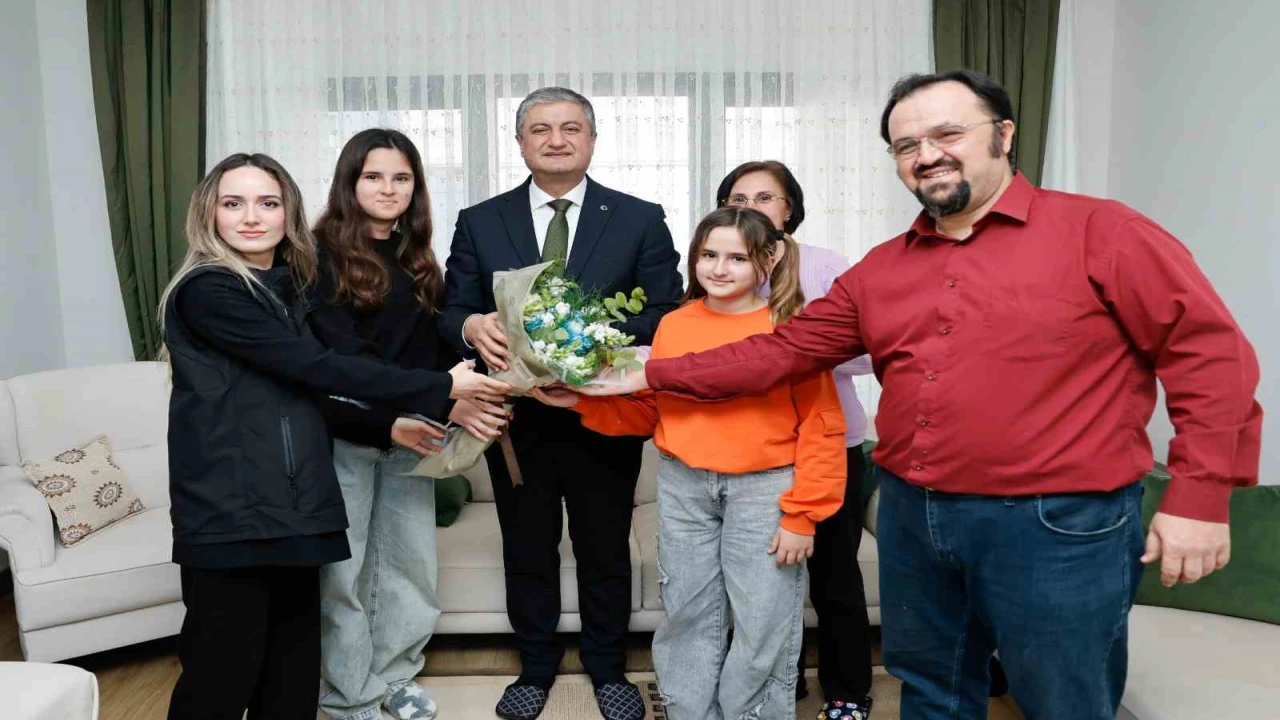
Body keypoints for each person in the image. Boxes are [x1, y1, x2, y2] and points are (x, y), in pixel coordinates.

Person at [583, 69, 1263, 720]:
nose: (926, 155)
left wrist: (1200, 496)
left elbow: (1210, 355)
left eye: (948, 134)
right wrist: (648, 373)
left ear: (1003, 134)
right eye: (906, 145)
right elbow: (784, 351)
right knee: (932, 689)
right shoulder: (882, 268)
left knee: (1062, 699)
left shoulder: (1103, 231)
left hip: (1055, 522)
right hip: (915, 515)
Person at [161, 153, 510, 720]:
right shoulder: (209, 291)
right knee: (221, 676)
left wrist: (387, 423)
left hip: (300, 505)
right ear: (209, 214)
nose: (251, 217)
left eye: (267, 203)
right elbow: (316, 367)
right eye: (233, 203)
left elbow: (309, 392)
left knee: (292, 678)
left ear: (288, 213)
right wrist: (442, 387)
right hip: (231, 513)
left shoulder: (287, 288)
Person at [531, 206, 846, 720]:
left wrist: (803, 514)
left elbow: (821, 424)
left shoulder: (789, 328)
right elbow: (652, 410)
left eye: (737, 258)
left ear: (768, 261)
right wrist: (582, 402)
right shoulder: (674, 324)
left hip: (764, 490)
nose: (719, 269)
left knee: (762, 621)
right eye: (709, 255)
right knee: (686, 615)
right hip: (684, 486)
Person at [439, 87, 684, 720]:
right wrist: (470, 326)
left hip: (604, 414)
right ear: (520, 142)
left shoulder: (638, 218)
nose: (556, 139)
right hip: (514, 420)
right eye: (540, 129)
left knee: (605, 548)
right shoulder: (480, 220)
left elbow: (666, 313)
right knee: (527, 547)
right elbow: (450, 309)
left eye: (571, 128)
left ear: (592, 139)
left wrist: (590, 345)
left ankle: (608, 669)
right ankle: (535, 667)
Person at [308, 129, 511, 720]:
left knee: (408, 569)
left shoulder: (415, 257)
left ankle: (395, 677)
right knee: (345, 576)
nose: (388, 188)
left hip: (415, 438)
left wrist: (455, 402)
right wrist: (395, 417)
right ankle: (350, 696)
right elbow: (338, 363)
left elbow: (428, 354)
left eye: (402, 178)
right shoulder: (317, 256)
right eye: (373, 176)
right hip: (348, 438)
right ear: (349, 182)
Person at [715, 161, 875, 719]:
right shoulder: (720, 269)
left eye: (766, 197)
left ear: (789, 209)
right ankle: (778, 682)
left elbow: (871, 350)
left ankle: (848, 690)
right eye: (739, 198)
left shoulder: (826, 265)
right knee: (758, 581)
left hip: (830, 443)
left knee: (834, 575)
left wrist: (793, 351)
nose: (752, 207)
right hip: (750, 448)